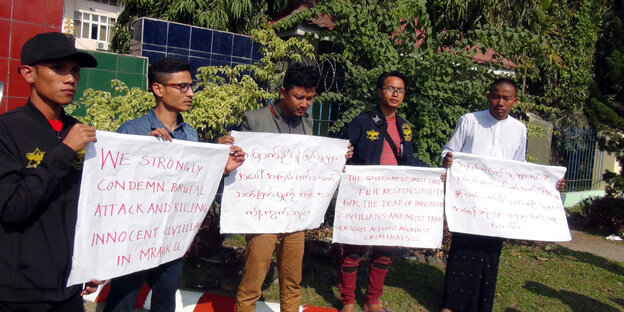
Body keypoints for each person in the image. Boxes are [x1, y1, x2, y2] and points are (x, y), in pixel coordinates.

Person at [104, 57, 245, 312]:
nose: (190, 93)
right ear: (158, 89)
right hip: (133, 239)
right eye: (182, 87)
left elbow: (192, 190)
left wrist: (220, 169)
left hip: (170, 240)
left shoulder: (190, 136)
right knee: (122, 302)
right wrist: (142, 151)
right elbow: (113, 187)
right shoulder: (131, 131)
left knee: (165, 300)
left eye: (191, 86)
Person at [235, 63, 354, 312]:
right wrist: (227, 146)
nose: (305, 104)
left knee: (292, 282)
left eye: (310, 98)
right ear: (282, 92)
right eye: (299, 97)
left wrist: (335, 160)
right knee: (251, 286)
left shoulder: (307, 121)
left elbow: (309, 162)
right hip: (263, 216)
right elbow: (238, 161)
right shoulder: (254, 119)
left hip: (295, 215)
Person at [440, 78, 564, 312]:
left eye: (506, 98)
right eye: (496, 96)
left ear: (514, 101)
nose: (500, 102)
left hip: (498, 207)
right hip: (468, 202)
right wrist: (448, 159)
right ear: (488, 96)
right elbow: (449, 150)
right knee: (462, 251)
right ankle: (451, 305)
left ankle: (481, 305)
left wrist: (550, 183)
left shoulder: (519, 129)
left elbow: (519, 168)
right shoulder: (470, 121)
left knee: (489, 253)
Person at [0, 32, 101, 311]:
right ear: (29, 73)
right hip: (19, 295)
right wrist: (64, 152)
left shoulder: (79, 131)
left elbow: (92, 207)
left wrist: (91, 261)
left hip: (69, 292)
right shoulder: (7, 131)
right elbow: (12, 208)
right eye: (58, 68)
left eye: (75, 71)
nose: (70, 79)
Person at [338, 71, 428, 312]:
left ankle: (372, 300)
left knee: (384, 252)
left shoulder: (405, 127)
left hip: (392, 199)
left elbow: (409, 161)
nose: (395, 94)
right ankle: (347, 300)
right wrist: (341, 154)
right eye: (390, 89)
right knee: (354, 250)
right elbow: (341, 150)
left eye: (400, 90)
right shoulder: (361, 121)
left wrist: (434, 172)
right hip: (363, 196)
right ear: (379, 92)